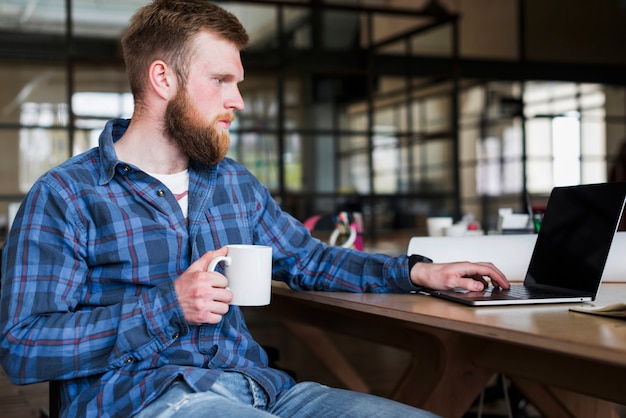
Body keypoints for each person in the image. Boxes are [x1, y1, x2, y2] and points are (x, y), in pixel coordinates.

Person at [0, 1, 509, 417]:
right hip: (148, 400)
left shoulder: (232, 183)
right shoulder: (67, 195)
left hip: (264, 390)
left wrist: (420, 272)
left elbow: (310, 260)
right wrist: (168, 306)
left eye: (237, 82)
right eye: (222, 80)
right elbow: (21, 349)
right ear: (162, 79)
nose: (237, 100)